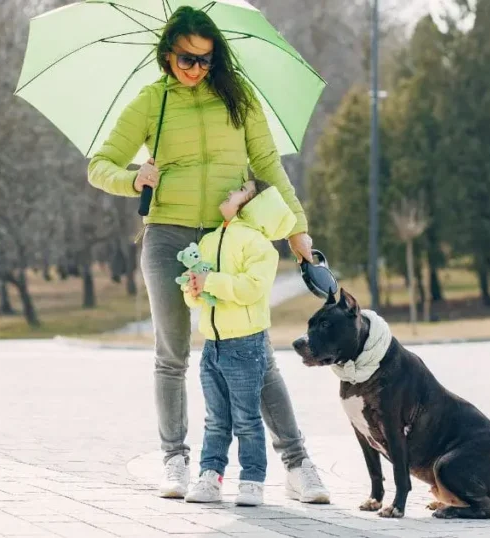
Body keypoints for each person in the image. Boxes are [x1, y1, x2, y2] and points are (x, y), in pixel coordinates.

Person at [86, 6, 330, 503]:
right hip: (168, 237)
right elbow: (99, 165)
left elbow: (268, 164)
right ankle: (175, 459)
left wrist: (297, 229)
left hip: (229, 239)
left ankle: (298, 464)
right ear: (167, 53)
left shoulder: (238, 100)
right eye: (185, 59)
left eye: (204, 59)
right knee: (171, 355)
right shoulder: (150, 103)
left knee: (254, 356)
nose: (195, 68)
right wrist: (133, 177)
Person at [180, 179, 292, 507]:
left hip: (245, 345)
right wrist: (194, 289)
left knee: (246, 418)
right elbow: (200, 300)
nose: (231, 190)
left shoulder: (259, 245)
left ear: (254, 203)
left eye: (241, 189)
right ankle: (210, 477)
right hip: (211, 344)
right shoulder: (211, 239)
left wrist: (211, 280)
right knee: (216, 418)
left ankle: (252, 480)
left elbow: (251, 288)